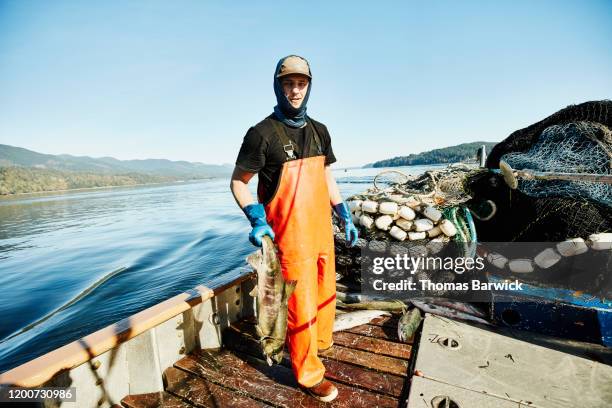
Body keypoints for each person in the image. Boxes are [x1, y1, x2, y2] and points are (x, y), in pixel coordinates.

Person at [230, 55, 358, 402]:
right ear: (278, 85)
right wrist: (256, 219)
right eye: (288, 83)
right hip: (289, 238)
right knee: (300, 306)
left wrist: (343, 212)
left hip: (321, 232)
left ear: (309, 86)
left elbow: (326, 175)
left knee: (324, 297)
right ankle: (308, 374)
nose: (295, 90)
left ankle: (316, 347)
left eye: (301, 83)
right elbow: (238, 183)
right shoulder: (261, 134)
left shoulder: (320, 131)